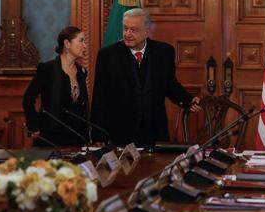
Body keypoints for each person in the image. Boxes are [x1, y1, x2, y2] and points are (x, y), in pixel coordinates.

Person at [91, 8, 200, 147]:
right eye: (125, 29)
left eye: (133, 30)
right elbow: (99, 96)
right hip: (120, 134)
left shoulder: (164, 52)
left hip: (154, 131)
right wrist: (98, 134)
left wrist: (187, 100)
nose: (127, 34)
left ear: (147, 31)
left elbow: (170, 84)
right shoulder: (107, 55)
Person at [23, 27, 89, 146]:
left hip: (77, 136)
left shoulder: (81, 72)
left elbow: (82, 106)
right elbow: (28, 99)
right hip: (51, 136)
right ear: (67, 44)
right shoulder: (47, 69)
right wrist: (33, 125)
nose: (85, 46)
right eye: (81, 41)